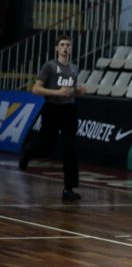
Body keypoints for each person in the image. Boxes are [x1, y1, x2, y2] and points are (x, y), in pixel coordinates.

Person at [19, 34, 86, 201]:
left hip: (69, 109)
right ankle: (28, 152)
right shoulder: (49, 66)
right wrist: (57, 92)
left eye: (67, 45)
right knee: (46, 147)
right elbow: (36, 89)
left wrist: (78, 90)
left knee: (70, 148)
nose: (65, 48)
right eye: (62, 45)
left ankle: (69, 189)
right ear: (57, 48)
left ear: (71, 48)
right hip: (52, 109)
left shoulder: (74, 68)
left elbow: (70, 88)